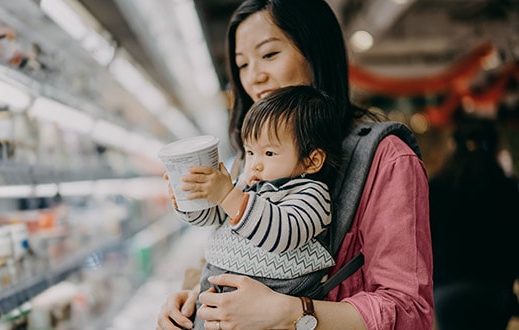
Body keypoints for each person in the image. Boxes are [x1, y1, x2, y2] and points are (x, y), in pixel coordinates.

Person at [157, 0, 433, 329]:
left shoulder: (386, 158)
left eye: (270, 54)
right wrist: (197, 296)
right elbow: (239, 243)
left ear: (316, 52)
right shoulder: (255, 155)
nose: (254, 77)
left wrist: (293, 313)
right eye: (242, 64)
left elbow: (410, 311)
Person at [169, 85, 343, 330]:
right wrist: (190, 199)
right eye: (250, 152)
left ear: (312, 160)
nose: (255, 165)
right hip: (213, 294)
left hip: (265, 310)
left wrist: (228, 194)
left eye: (269, 153)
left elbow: (285, 232)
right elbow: (215, 215)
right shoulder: (247, 185)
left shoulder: (311, 194)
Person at [429, 116, 519, 330]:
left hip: (446, 291)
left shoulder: (437, 186)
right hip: (494, 291)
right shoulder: (507, 188)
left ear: (454, 144)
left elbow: (426, 240)